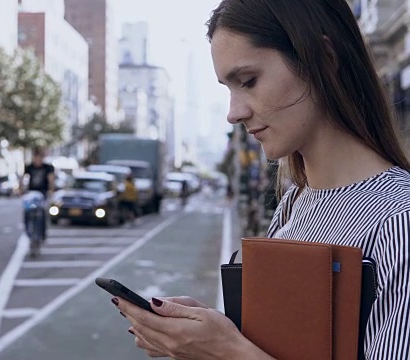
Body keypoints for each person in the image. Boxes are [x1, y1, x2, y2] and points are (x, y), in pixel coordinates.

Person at [113, 0, 410, 359]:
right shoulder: (294, 204)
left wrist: (229, 351)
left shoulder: (399, 221)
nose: (234, 112)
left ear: (324, 59)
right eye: (229, 89)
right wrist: (212, 335)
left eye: (249, 81)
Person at [22, 148, 55, 240]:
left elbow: (51, 180)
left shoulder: (48, 167)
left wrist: (51, 190)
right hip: (31, 193)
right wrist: (21, 189)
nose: (37, 160)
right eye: (36, 158)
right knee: (27, 211)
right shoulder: (29, 167)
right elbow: (23, 177)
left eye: (39, 157)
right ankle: (27, 230)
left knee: (43, 212)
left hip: (43, 193)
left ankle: (42, 234)